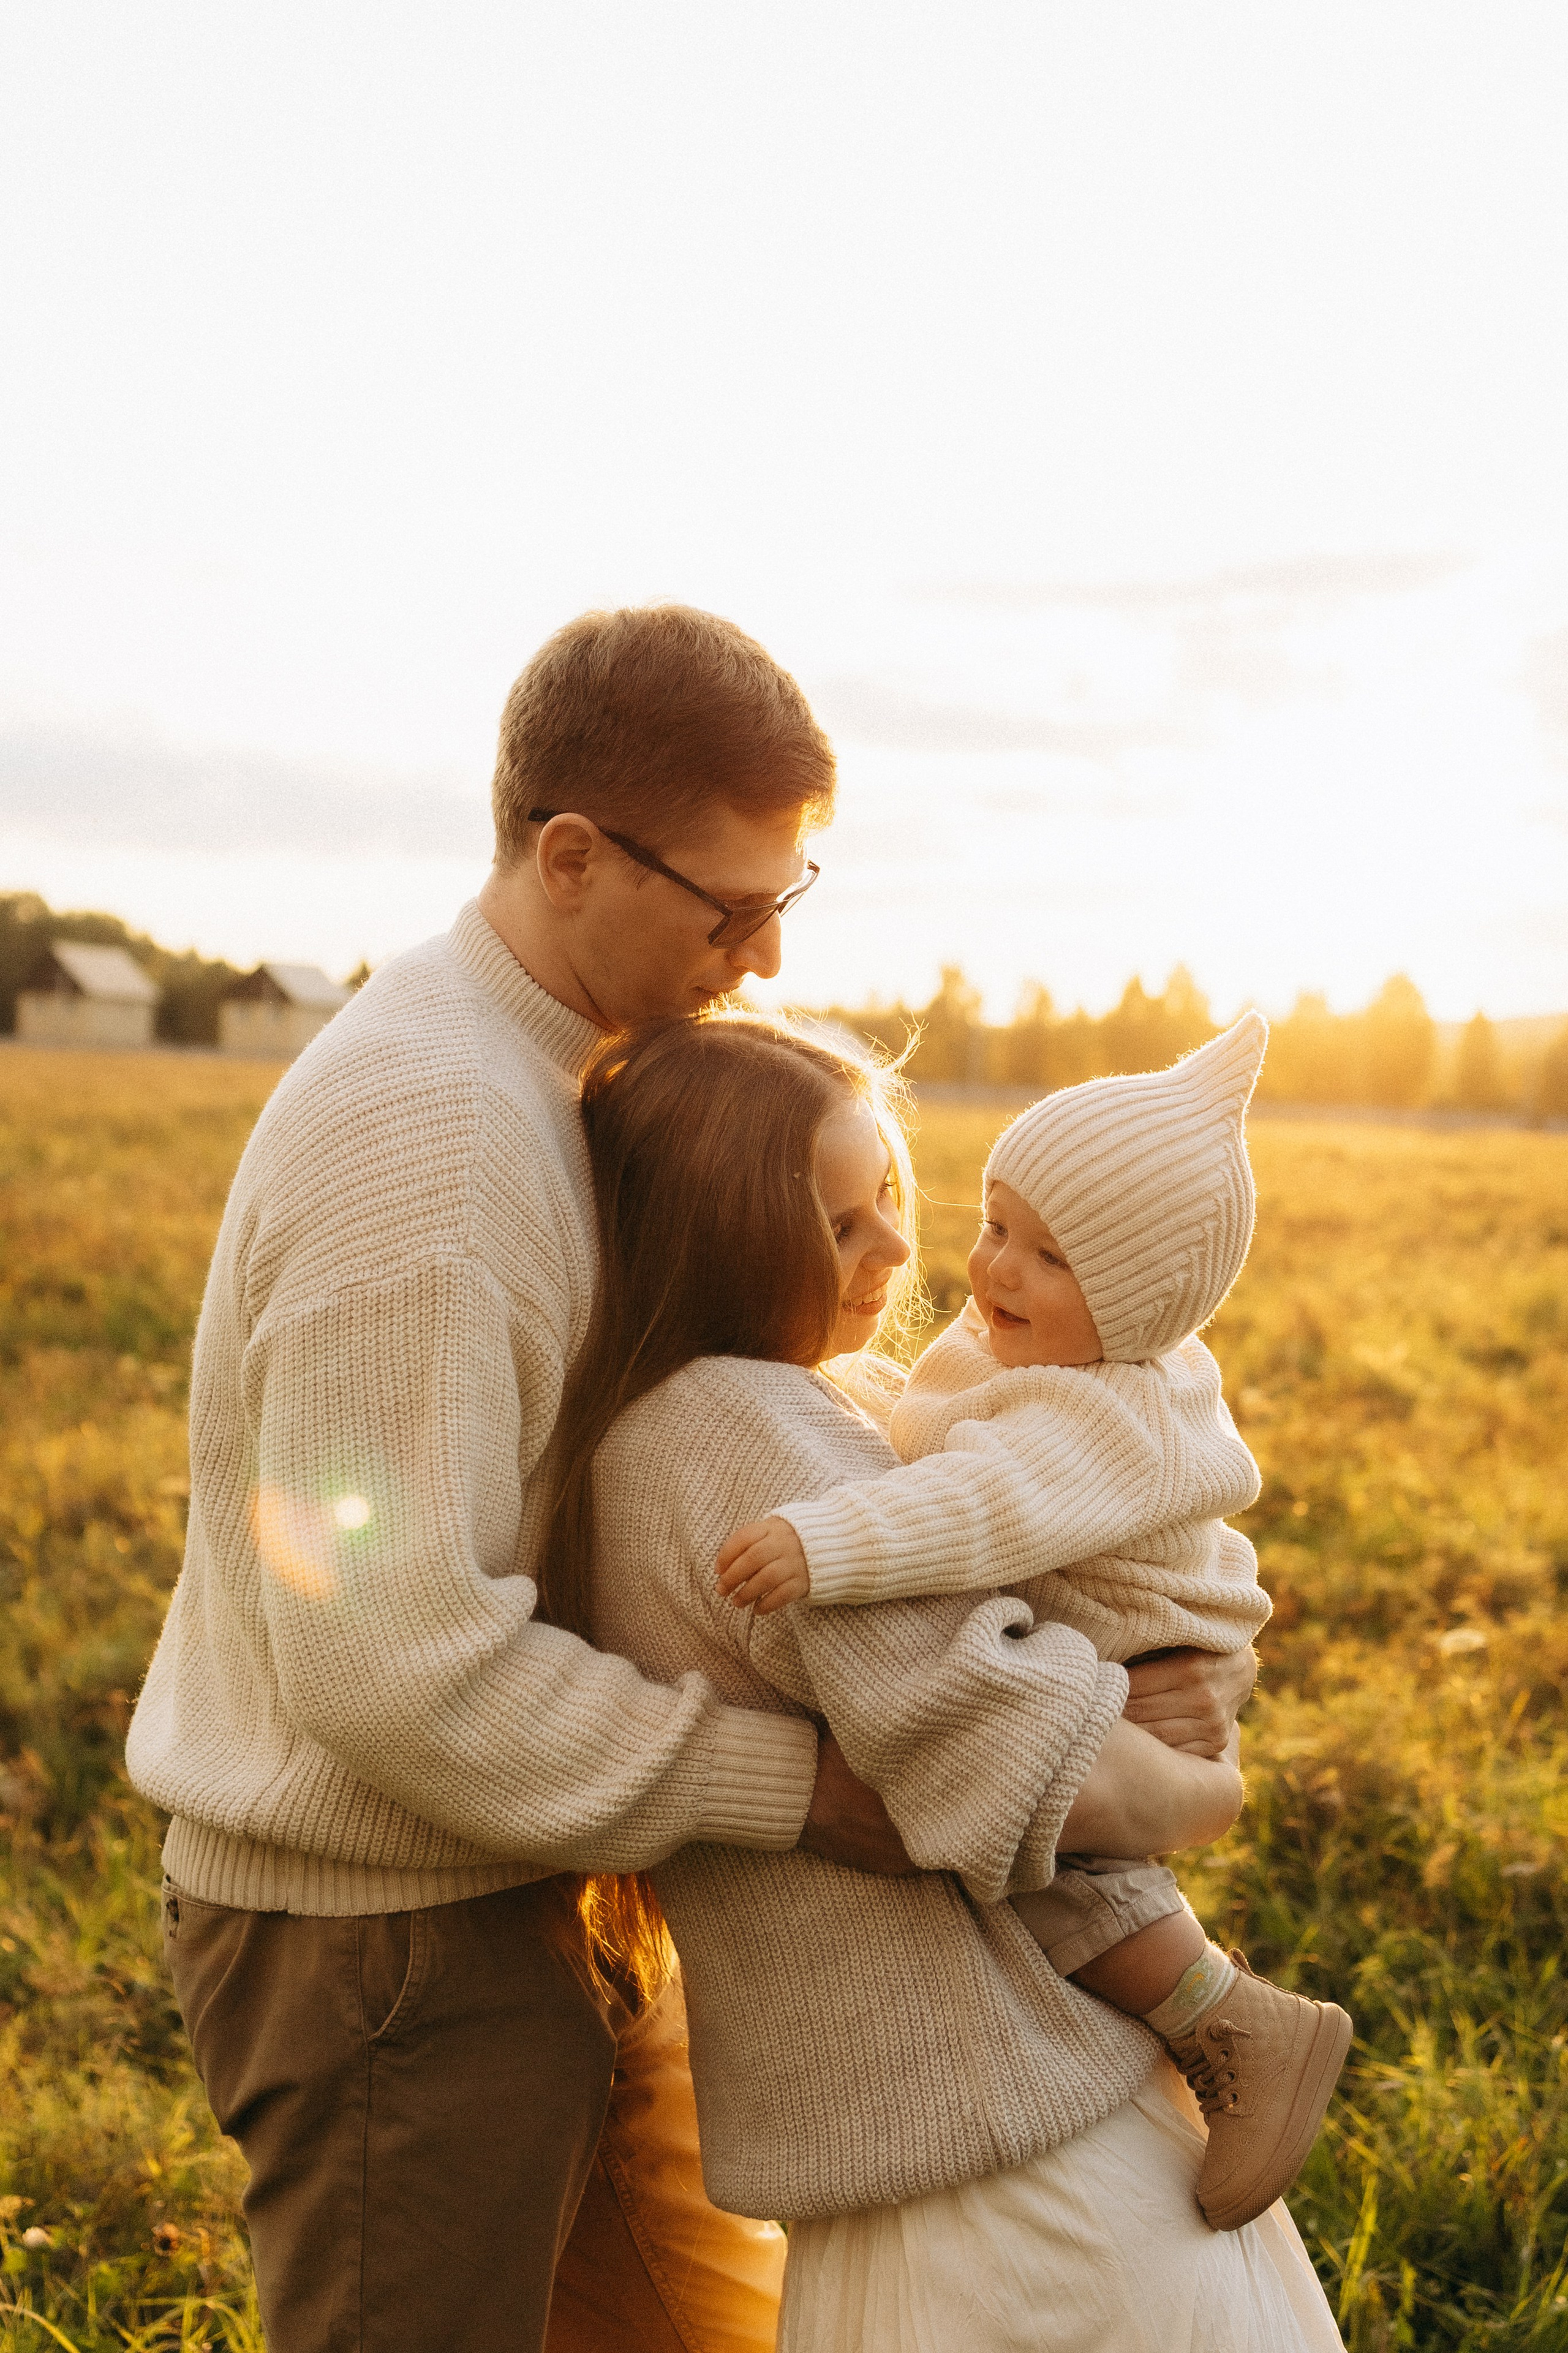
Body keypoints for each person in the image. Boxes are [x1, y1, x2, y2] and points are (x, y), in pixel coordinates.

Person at [125, 603, 1250, 2353]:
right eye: (730, 908)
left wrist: (1085, 1648)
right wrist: (796, 1782)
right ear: (570, 856)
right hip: (387, 1949)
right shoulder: (432, 1132)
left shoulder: (560, 1073)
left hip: (543, 1879)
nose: (767, 961)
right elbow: (387, 1656)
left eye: (785, 902)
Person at [557, 1009, 1346, 2351]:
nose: (901, 1252)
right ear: (723, 1227)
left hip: (947, 2115)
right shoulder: (742, 1425)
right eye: (843, 1222)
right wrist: (1195, 1786)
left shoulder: (678, 1418)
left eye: (890, 1204)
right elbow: (995, 1741)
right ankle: (1231, 2013)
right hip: (992, 2138)